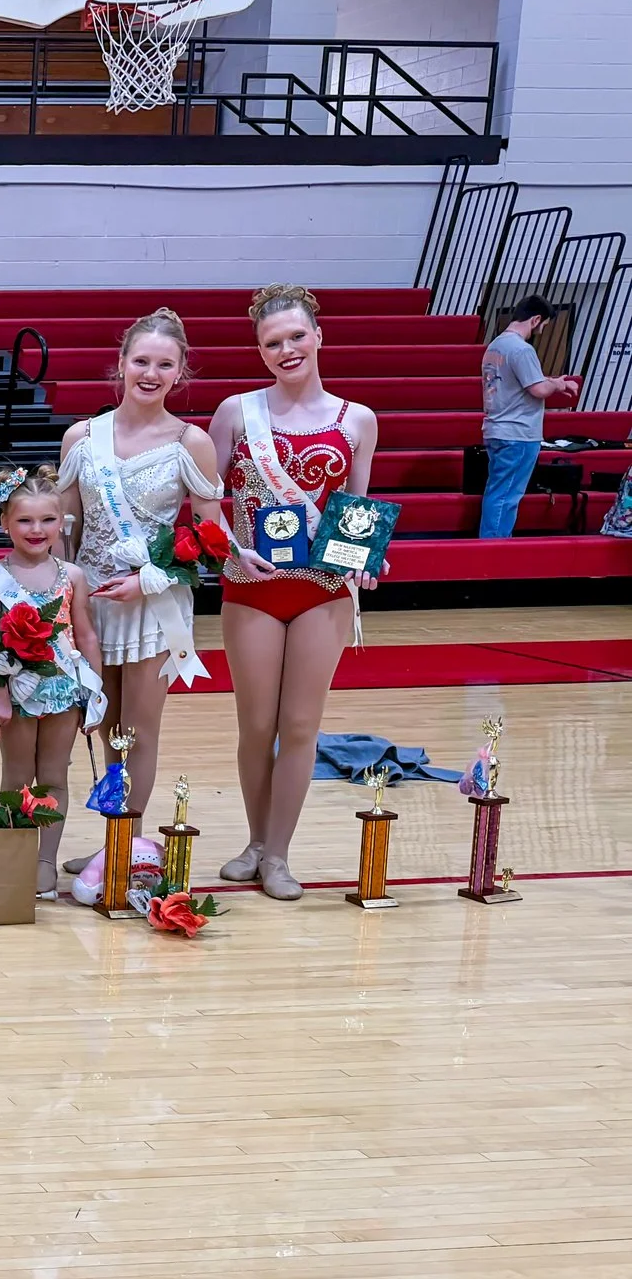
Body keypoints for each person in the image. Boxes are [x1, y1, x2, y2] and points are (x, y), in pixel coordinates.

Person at [209, 284, 381, 901]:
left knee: (302, 725)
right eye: (272, 342)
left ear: (318, 336)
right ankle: (255, 843)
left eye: (296, 336)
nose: (286, 349)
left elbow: (356, 506)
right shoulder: (236, 412)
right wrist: (232, 549)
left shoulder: (357, 419)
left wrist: (365, 560)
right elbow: (207, 505)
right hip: (252, 586)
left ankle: (279, 855)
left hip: (324, 591)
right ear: (260, 351)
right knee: (257, 725)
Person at [55, 309, 224, 881]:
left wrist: (150, 579)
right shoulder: (82, 437)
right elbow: (67, 531)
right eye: (141, 361)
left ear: (181, 372)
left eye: (164, 364)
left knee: (140, 730)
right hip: (92, 605)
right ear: (122, 364)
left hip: (154, 606)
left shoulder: (190, 442)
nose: (151, 373)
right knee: (106, 725)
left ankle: (125, 846)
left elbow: (210, 538)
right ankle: (113, 842)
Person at [0, 468, 105, 896]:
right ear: (5, 523)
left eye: (47, 519)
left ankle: (45, 860)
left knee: (53, 775)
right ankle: (14, 855)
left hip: (64, 688)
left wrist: (95, 692)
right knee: (17, 776)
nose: (36, 529)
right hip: (16, 689)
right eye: (25, 520)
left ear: (61, 522)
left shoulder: (73, 576)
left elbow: (85, 635)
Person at [478, 294, 581, 539]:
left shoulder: (495, 346)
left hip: (497, 429)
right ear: (535, 320)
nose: (541, 331)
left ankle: (490, 545)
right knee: (506, 497)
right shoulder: (522, 349)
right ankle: (493, 549)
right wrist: (557, 385)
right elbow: (538, 389)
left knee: (498, 493)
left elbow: (525, 381)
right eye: (542, 325)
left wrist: (552, 381)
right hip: (518, 433)